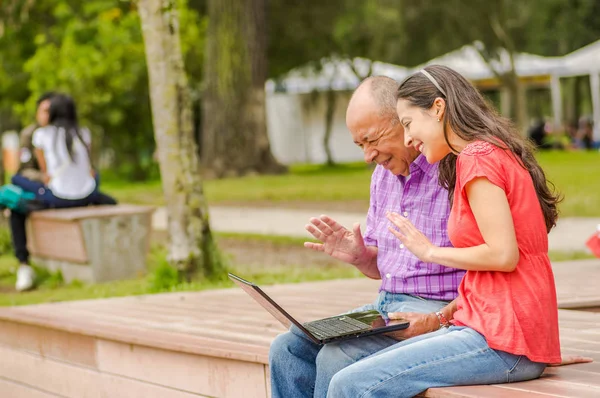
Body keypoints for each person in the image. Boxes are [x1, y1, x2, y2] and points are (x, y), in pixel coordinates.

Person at [325, 65, 564, 397]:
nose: (408, 138)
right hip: (488, 328)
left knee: (350, 383)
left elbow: (504, 255)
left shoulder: (478, 158)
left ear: (437, 109)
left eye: (409, 124)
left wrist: (429, 251)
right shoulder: (482, 154)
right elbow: (489, 277)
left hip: (504, 339)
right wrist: (441, 318)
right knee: (344, 369)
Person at [269, 76, 466, 398]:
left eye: (371, 140)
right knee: (288, 346)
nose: (368, 156)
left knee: (338, 356)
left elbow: (492, 268)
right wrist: (361, 257)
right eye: (360, 145)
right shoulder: (382, 177)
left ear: (406, 122)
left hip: (436, 307)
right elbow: (384, 269)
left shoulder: (455, 171)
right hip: (385, 308)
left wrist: (438, 318)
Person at [10, 94, 116, 292]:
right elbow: (90, 169)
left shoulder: (41, 135)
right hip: (87, 193)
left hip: (58, 196)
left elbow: (47, 174)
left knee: (16, 185)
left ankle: (24, 265)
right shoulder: (83, 132)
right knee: (97, 186)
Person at [16, 92, 56, 182]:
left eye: (51, 112)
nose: (47, 116)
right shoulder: (29, 134)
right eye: (44, 111)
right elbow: (25, 168)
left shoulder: (62, 134)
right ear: (37, 113)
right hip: (40, 179)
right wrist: (44, 177)